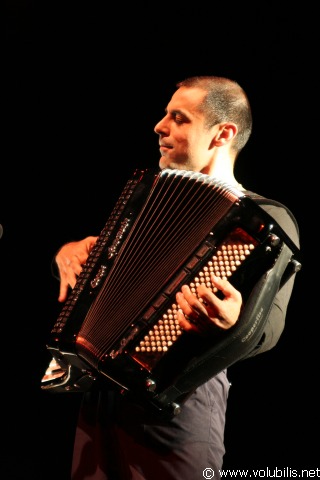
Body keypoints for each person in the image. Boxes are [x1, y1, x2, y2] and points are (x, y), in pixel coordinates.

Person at [52, 76, 300, 479]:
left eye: (179, 118)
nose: (159, 126)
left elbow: (269, 328)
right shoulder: (149, 198)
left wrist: (235, 321)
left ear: (223, 133)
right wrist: (65, 254)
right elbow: (100, 279)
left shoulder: (265, 219)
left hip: (181, 402)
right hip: (98, 401)